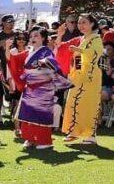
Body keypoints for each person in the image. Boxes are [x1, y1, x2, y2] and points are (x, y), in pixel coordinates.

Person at [7, 27, 71, 149]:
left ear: (43, 38)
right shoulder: (28, 51)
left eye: (36, 36)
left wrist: (42, 63)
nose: (32, 38)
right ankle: (30, 138)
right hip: (30, 87)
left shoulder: (46, 51)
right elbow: (12, 59)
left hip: (42, 87)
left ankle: (45, 141)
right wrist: (7, 47)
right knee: (28, 114)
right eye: (31, 36)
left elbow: (52, 64)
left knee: (41, 114)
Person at [57, 15, 104, 144]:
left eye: (84, 22)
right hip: (77, 76)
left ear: (92, 24)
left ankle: (91, 135)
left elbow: (95, 53)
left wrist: (78, 50)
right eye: (79, 23)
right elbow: (61, 47)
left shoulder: (96, 38)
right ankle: (73, 132)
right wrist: (60, 35)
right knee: (72, 103)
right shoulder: (79, 39)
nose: (81, 25)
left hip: (90, 77)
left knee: (89, 105)